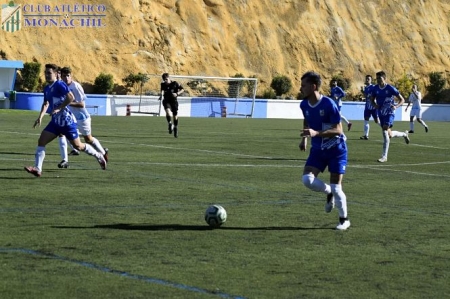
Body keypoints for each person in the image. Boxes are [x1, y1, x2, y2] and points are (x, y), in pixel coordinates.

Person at [24, 63, 107, 177]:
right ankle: (38, 169)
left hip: (67, 122)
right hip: (55, 122)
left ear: (56, 74)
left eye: (49, 73)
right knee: (41, 141)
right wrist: (40, 117)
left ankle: (99, 156)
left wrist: (59, 108)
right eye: (45, 73)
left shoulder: (59, 85)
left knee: (79, 146)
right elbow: (46, 103)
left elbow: (71, 97)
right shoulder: (47, 88)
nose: (47, 75)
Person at [299, 71, 350, 231]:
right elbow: (307, 119)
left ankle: (344, 220)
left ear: (313, 86)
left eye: (304, 85)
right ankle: (328, 192)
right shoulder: (304, 104)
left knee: (337, 188)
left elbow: (339, 130)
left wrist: (316, 133)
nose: (301, 88)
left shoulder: (329, 104)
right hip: (318, 150)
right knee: (307, 179)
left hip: (336, 150)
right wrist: (305, 138)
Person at [57, 66, 108, 168]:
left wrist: (67, 103)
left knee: (88, 139)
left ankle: (103, 153)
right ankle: (65, 160)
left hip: (82, 117)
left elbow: (82, 104)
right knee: (61, 134)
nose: (66, 78)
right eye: (64, 76)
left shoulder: (75, 86)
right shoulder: (62, 86)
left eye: (68, 75)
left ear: (71, 76)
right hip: (71, 118)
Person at [370, 71, 409, 163]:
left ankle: (384, 156)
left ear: (385, 78)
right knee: (389, 134)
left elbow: (402, 99)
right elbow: (371, 99)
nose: (378, 80)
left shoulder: (390, 88)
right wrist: (375, 105)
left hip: (390, 112)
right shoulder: (375, 88)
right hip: (381, 112)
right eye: (377, 78)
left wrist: (396, 106)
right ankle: (404, 134)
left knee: (384, 129)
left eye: (380, 78)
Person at [158, 73, 184, 138]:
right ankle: (170, 123)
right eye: (164, 80)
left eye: (166, 79)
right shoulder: (163, 84)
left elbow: (182, 89)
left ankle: (175, 128)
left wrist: (177, 93)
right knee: (168, 112)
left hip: (174, 101)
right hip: (166, 100)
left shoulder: (175, 83)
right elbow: (162, 91)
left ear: (169, 78)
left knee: (175, 116)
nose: (165, 81)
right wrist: (161, 96)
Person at [360, 75, 380, 140]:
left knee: (377, 121)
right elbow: (367, 96)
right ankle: (366, 135)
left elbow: (375, 95)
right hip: (367, 107)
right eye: (366, 79)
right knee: (366, 120)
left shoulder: (373, 87)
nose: (367, 80)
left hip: (373, 107)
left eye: (368, 79)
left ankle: (386, 130)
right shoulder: (366, 88)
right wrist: (363, 93)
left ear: (371, 80)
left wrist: (366, 95)